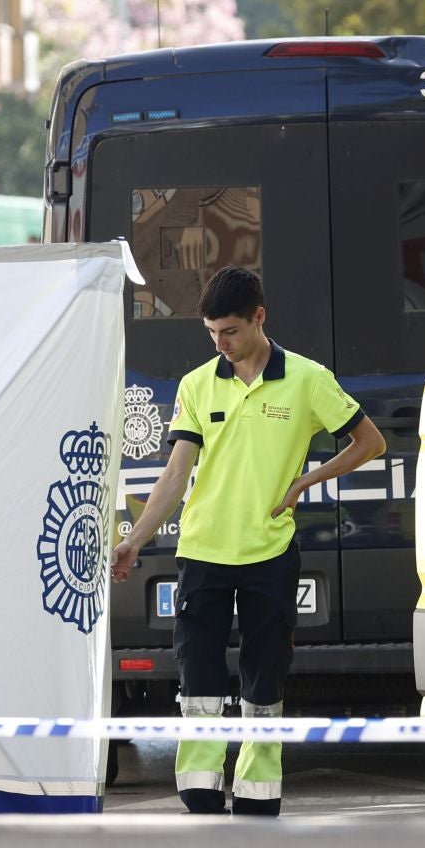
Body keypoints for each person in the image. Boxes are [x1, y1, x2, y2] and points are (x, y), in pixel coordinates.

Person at [111, 267, 386, 816]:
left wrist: (308, 480)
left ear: (260, 317)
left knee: (265, 679)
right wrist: (135, 539)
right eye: (212, 333)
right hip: (202, 553)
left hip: (270, 554)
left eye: (230, 331)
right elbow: (175, 473)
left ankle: (259, 788)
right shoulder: (196, 384)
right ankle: (200, 784)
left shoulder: (307, 379)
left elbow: (370, 442)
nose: (220, 343)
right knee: (199, 678)